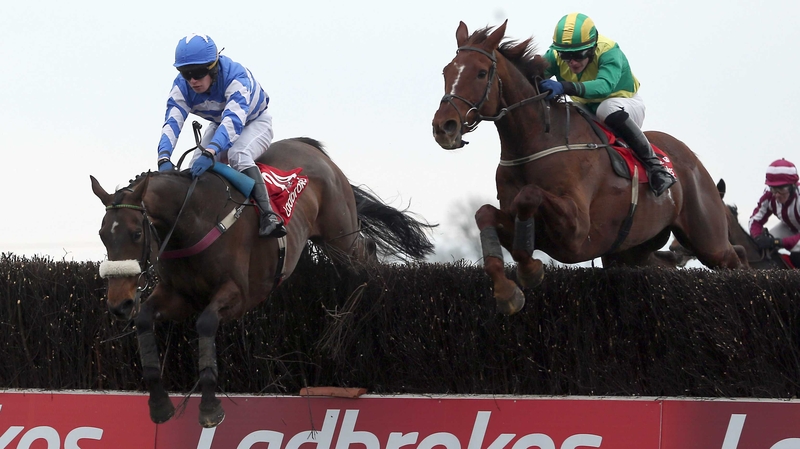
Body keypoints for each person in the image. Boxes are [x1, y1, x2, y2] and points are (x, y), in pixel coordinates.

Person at [156, 33, 285, 238]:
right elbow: (172, 122)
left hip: (255, 122)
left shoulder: (236, 77)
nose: (192, 81)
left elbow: (233, 120)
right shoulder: (182, 87)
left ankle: (268, 215)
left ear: (213, 67)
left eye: (198, 73)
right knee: (195, 164)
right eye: (185, 73)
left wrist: (212, 151)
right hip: (220, 124)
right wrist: (163, 156)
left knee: (238, 153)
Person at [538, 13, 676, 197]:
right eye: (565, 56)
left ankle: (655, 166)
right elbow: (532, 74)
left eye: (578, 55)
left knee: (606, 108)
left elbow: (604, 86)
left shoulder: (609, 51)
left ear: (592, 48)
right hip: (586, 107)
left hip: (624, 104)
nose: (572, 62)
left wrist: (564, 86)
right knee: (566, 111)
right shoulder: (555, 55)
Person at [749, 158, 800, 267]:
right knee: (761, 246)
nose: (776, 195)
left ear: (793, 186)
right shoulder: (768, 195)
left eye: (781, 189)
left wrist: (778, 242)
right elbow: (755, 220)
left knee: (797, 255)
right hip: (790, 227)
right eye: (773, 189)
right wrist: (757, 237)